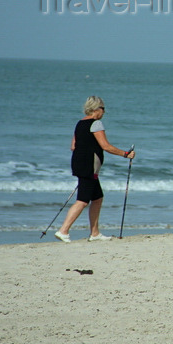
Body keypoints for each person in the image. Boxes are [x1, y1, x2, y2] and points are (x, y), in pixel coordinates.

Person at [55, 96, 135, 242]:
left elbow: (73, 146)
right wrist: (126, 154)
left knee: (97, 198)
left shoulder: (80, 123)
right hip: (89, 167)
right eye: (103, 109)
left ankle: (95, 233)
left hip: (79, 164)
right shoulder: (96, 124)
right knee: (83, 200)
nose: (104, 112)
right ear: (96, 109)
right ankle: (63, 230)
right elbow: (106, 146)